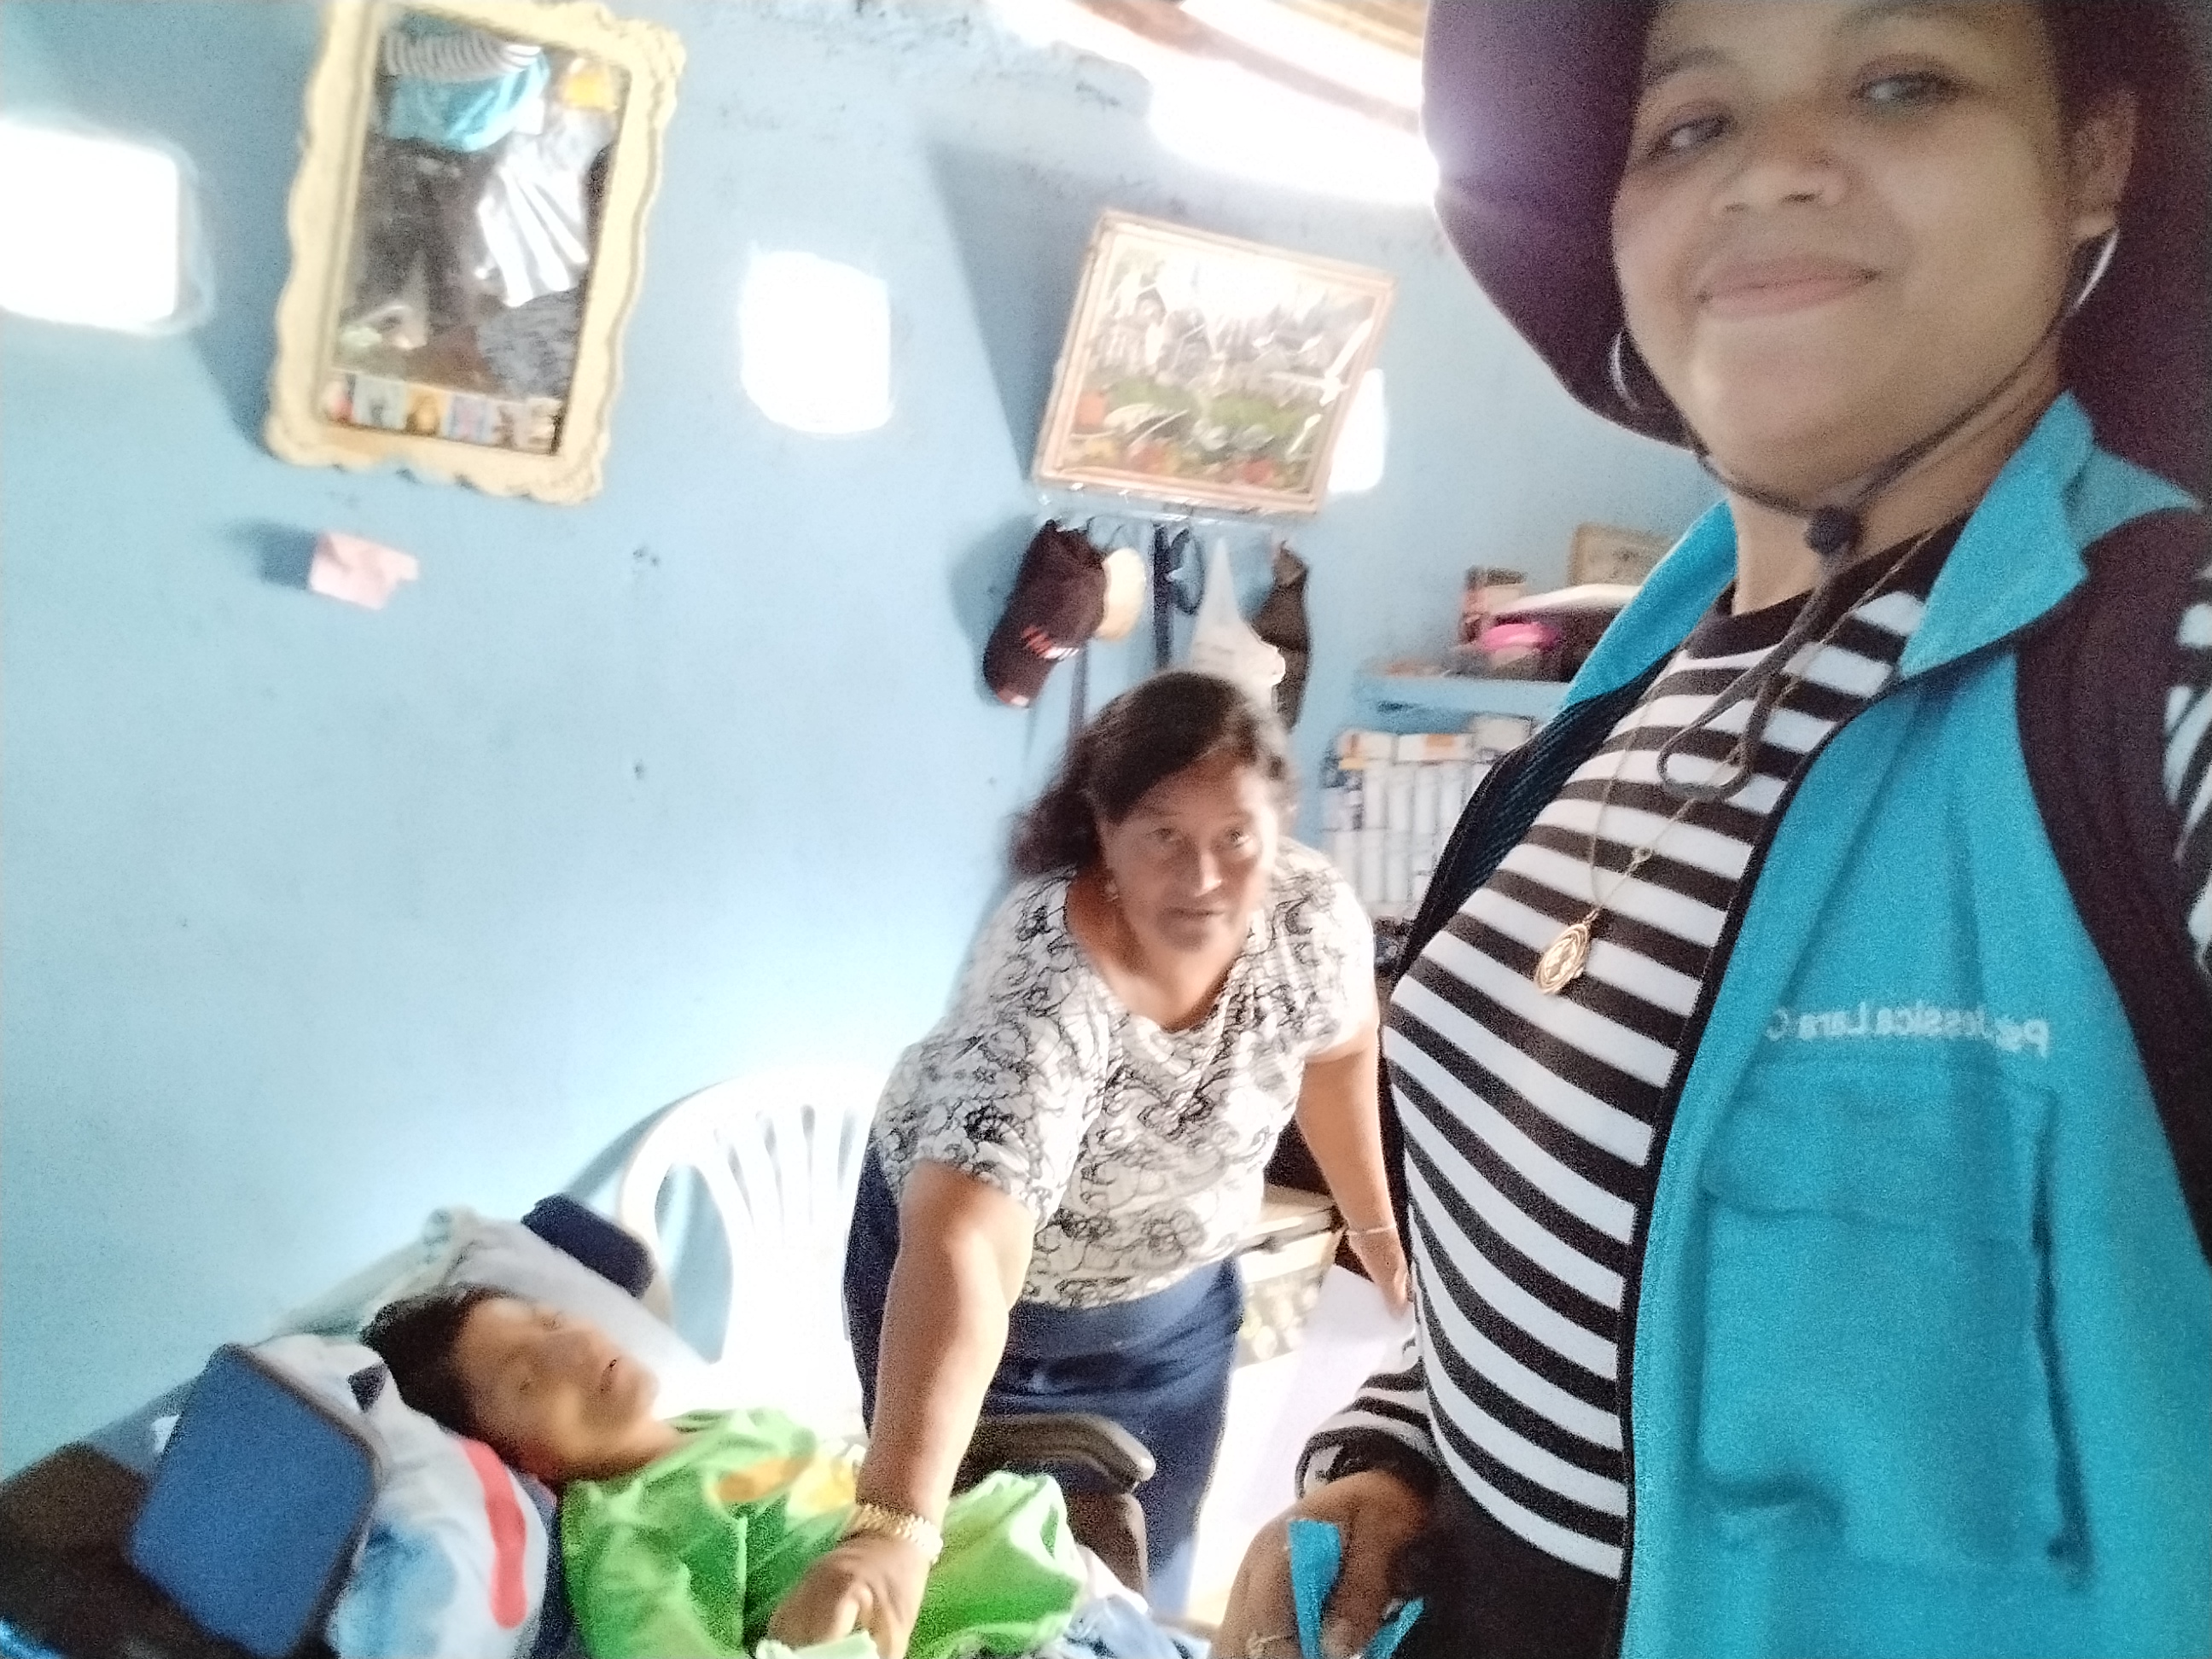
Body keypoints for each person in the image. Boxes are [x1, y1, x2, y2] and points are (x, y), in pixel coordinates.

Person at [1217, 4, 2211, 1658]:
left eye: (1901, 82)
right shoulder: (1628, 694)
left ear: (2093, 156)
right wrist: (1397, 1454)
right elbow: (1590, 1222)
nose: (1774, 171)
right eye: (1688, 127)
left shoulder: (2156, 680)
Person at [782, 671, 1406, 1653]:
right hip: (993, 1322)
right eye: (1163, 836)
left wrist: (1373, 1226)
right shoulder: (1043, 983)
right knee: (994, 1587)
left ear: (1279, 826)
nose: (1204, 877)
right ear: (1104, 832)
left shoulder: (1308, 917)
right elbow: (966, 1246)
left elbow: (1340, 1050)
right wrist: (894, 1524)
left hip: (1177, 1313)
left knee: (1143, 1586)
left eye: (1235, 838)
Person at [359, 1286, 1090, 1659]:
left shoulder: (721, 1424)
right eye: (527, 1379)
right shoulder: (622, 1538)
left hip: (1050, 1586)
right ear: (525, 1463)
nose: (573, 1348)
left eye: (550, 1320)